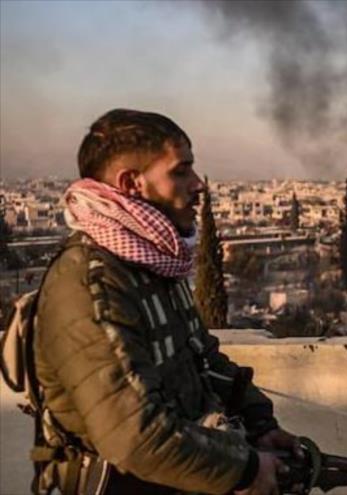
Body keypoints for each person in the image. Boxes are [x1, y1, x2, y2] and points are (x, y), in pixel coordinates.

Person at [32, 109, 299, 494]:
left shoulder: (151, 264)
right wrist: (246, 470)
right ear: (131, 183)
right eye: (180, 171)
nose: (198, 185)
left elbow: (202, 360)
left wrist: (260, 425)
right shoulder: (92, 281)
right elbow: (134, 436)